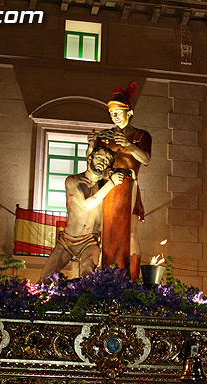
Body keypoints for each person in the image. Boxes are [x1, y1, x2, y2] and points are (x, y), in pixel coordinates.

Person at [90, 81, 151, 281]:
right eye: (111, 113)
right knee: (104, 232)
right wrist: (91, 146)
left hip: (129, 185)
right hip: (108, 186)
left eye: (118, 112)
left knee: (131, 232)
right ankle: (104, 275)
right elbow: (93, 164)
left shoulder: (141, 135)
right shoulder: (105, 137)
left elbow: (146, 159)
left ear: (129, 112)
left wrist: (129, 145)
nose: (114, 116)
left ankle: (132, 278)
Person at [39, 146, 123, 282]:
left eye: (107, 160)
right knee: (45, 278)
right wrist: (112, 183)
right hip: (67, 241)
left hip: (90, 241)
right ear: (90, 158)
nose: (103, 161)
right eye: (100, 157)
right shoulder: (73, 181)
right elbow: (85, 205)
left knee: (87, 275)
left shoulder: (104, 187)